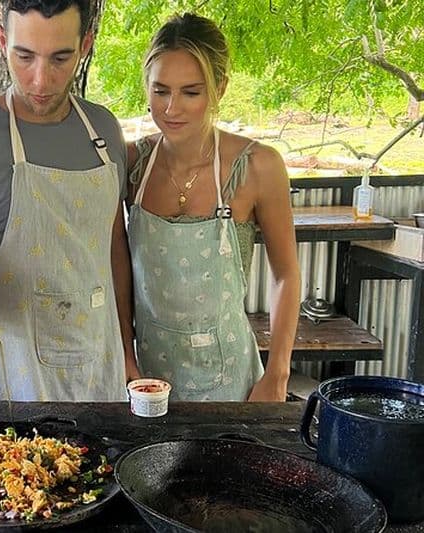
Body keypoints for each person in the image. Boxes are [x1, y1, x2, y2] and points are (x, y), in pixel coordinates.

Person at [0, 0, 140, 402]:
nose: (41, 80)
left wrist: (127, 353)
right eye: (24, 57)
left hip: (101, 372)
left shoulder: (105, 132)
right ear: (3, 41)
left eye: (61, 58)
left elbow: (112, 249)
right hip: (10, 381)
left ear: (86, 44)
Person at [126, 13, 300, 401]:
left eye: (191, 92)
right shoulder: (132, 164)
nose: (172, 108)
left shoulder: (258, 166)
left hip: (232, 382)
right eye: (160, 91)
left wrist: (276, 375)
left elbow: (286, 275)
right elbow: (114, 268)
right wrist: (125, 356)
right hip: (149, 382)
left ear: (219, 88)